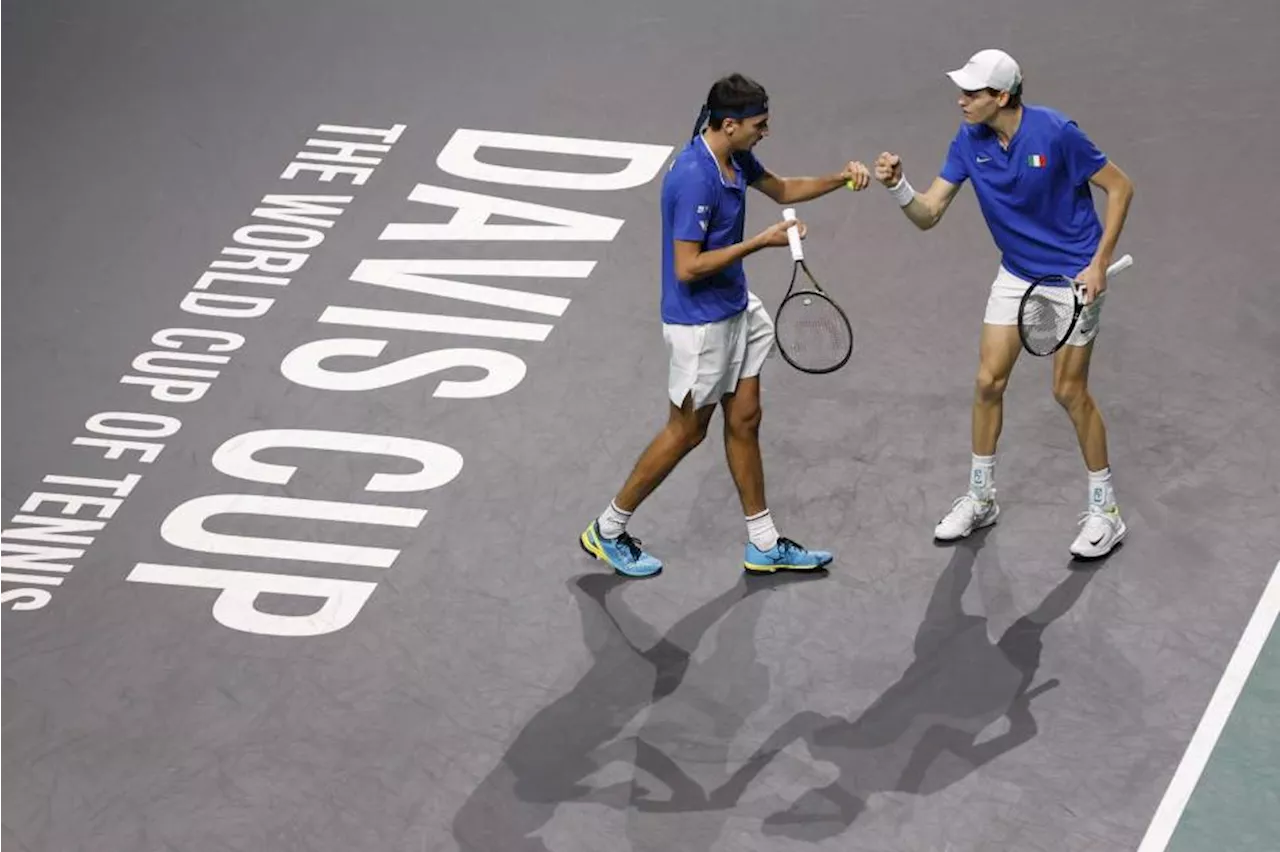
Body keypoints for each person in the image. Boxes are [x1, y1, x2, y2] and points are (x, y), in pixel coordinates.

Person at [579, 72, 872, 578]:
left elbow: (781, 188)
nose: (766, 132)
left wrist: (841, 179)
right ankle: (606, 529)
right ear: (729, 123)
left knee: (745, 419)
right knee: (686, 432)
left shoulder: (733, 154)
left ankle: (763, 542)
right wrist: (760, 243)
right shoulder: (694, 176)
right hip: (699, 326)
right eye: (759, 124)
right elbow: (687, 267)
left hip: (737, 309)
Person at [873, 49, 1135, 559]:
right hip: (1016, 273)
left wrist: (1099, 262)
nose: (961, 100)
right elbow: (928, 214)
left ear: (1002, 96)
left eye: (972, 93)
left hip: (1072, 275)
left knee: (1068, 390)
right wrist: (898, 187)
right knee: (988, 381)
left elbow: (1120, 188)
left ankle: (1106, 511)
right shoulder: (968, 142)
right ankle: (980, 498)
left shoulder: (1057, 132)